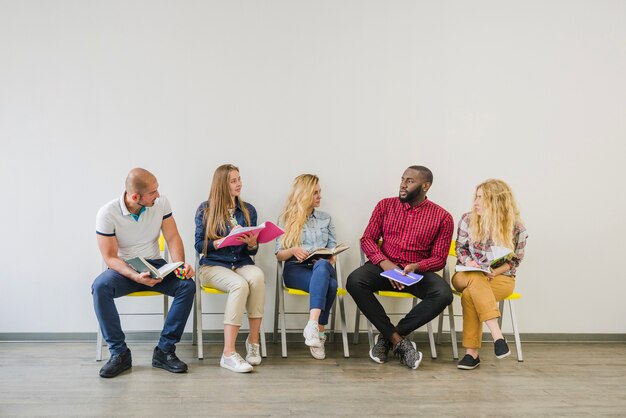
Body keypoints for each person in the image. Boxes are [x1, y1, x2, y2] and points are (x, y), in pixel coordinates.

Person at [346, 165, 454, 370]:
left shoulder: (442, 217)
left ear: (426, 186)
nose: (402, 185)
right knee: (355, 280)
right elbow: (367, 239)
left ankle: (389, 337)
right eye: (402, 179)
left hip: (416, 273)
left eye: (409, 181)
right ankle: (399, 342)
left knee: (443, 294)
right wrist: (387, 265)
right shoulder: (385, 206)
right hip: (385, 267)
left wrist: (417, 266)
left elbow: (439, 258)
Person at [92, 168, 196, 378]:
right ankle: (119, 354)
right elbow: (110, 257)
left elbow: (173, 237)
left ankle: (165, 350)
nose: (158, 195)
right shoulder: (107, 213)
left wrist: (180, 265)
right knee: (100, 287)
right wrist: (134, 275)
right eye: (153, 192)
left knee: (187, 285)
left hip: (156, 266)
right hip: (124, 269)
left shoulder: (161, 203)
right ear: (135, 197)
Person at [194, 164, 265, 373]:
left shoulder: (248, 210)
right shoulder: (205, 209)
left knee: (258, 276)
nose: (239, 184)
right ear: (222, 184)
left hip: (241, 263)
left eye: (239, 179)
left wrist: (252, 242)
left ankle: (253, 342)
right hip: (213, 266)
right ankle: (228, 353)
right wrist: (220, 242)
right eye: (233, 181)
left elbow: (252, 251)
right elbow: (199, 246)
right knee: (239, 285)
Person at [452, 179, 528, 370]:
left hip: (500, 278)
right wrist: (469, 262)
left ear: (496, 202)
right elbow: (460, 248)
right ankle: (497, 335)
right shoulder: (467, 220)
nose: (475, 202)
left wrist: (494, 271)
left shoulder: (517, 229)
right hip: (465, 274)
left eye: (481, 198)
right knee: (475, 280)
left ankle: (472, 354)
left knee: (472, 294)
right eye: (475, 197)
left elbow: (515, 261)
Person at [275, 174, 339, 360]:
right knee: (332, 285)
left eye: (320, 192)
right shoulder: (287, 219)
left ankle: (312, 327)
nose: (320, 196)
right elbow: (279, 254)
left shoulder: (326, 218)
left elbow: (332, 250)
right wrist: (294, 250)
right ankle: (318, 333)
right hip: (296, 269)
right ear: (304, 194)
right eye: (315, 193)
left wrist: (331, 258)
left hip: (321, 267)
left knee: (322, 267)